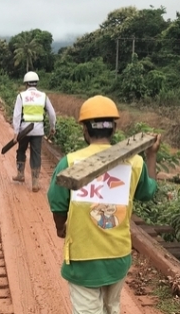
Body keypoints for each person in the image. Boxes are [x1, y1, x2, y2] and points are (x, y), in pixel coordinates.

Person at [47, 95, 161, 314]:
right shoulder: (135, 162)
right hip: (118, 257)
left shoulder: (70, 163)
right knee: (111, 307)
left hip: (83, 259)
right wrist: (151, 155)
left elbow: (57, 202)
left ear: (84, 130)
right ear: (114, 129)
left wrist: (60, 227)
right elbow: (149, 192)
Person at [11, 71, 57, 192]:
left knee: (21, 150)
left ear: (26, 83)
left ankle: (20, 175)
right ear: (36, 83)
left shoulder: (21, 96)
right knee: (36, 154)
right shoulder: (43, 96)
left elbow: (16, 115)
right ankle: (35, 182)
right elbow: (52, 113)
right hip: (38, 131)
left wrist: (16, 132)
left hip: (24, 130)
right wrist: (52, 127)